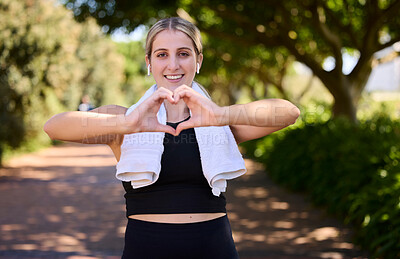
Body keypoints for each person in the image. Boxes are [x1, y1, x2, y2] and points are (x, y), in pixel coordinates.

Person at [43, 17, 300, 258]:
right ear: (149, 62)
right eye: (162, 54)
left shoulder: (219, 122)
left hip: (213, 248)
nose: (173, 64)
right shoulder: (125, 120)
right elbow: (54, 127)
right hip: (146, 248)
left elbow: (288, 112)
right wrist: (127, 123)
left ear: (198, 61)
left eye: (184, 54)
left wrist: (221, 115)